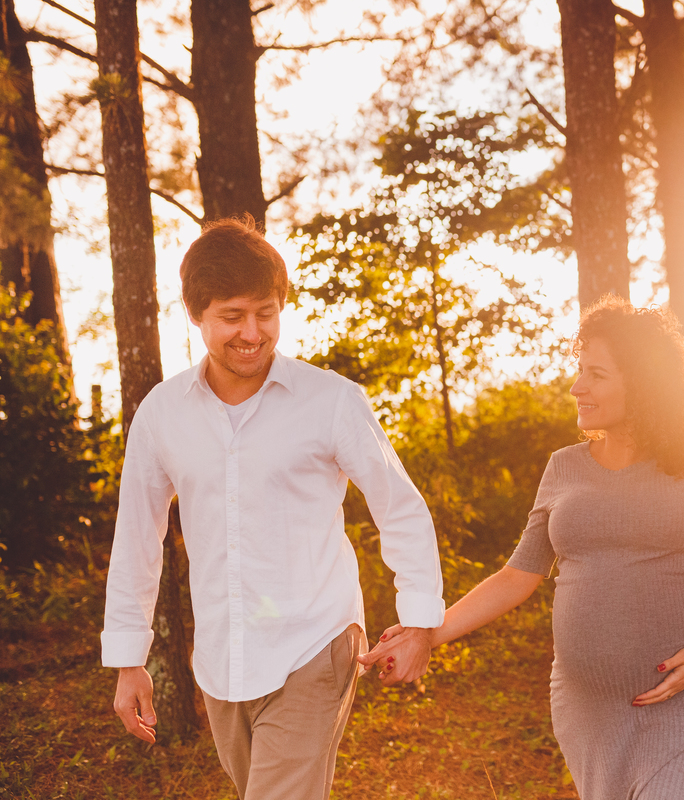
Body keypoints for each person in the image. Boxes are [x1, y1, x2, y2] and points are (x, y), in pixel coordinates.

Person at [359, 296, 684, 799]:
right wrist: (426, 634)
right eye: (579, 369)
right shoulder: (563, 467)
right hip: (586, 709)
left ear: (642, 382)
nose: (577, 386)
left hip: (682, 699)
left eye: (596, 373)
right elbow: (517, 577)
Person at [101, 216, 444, 800]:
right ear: (196, 314)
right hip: (219, 659)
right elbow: (137, 537)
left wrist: (419, 622)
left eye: (266, 312)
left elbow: (400, 507)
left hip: (316, 641)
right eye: (232, 317)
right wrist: (129, 660)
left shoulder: (331, 400)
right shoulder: (161, 415)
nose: (252, 333)